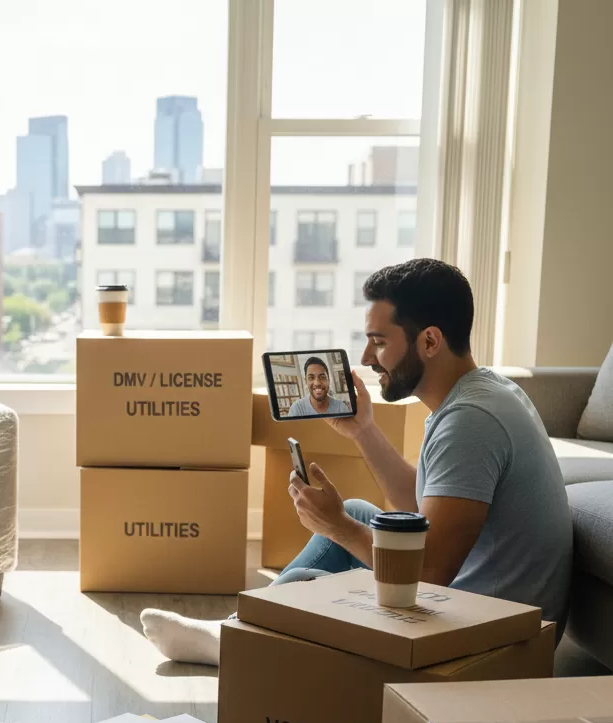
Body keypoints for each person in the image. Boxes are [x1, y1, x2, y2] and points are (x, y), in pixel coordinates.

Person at [143, 258, 573, 666]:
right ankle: (239, 633)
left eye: (379, 342)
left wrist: (337, 529)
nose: (366, 359)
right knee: (359, 511)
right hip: (486, 606)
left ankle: (238, 641)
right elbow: (418, 508)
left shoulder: (469, 424)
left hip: (495, 639)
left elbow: (428, 572)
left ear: (429, 341)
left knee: (303, 584)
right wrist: (363, 430)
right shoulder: (482, 391)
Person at [286, 356, 351, 416]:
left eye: (322, 377)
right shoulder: (297, 409)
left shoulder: (341, 408)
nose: (317, 383)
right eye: (311, 378)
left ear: (329, 380)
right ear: (306, 381)